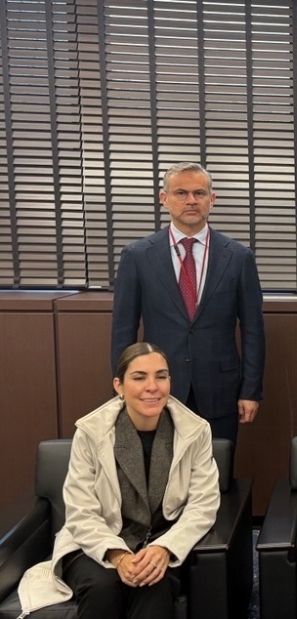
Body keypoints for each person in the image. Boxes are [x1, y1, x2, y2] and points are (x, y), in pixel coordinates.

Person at [17, 342, 220, 618]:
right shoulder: (91, 432)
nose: (152, 387)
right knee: (103, 586)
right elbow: (81, 512)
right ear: (119, 386)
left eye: (161, 376)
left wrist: (164, 548)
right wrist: (117, 555)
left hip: (162, 541)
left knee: (154, 586)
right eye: (139, 377)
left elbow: (203, 505)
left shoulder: (195, 431)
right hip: (96, 543)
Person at [111, 162, 265, 445]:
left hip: (221, 391)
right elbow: (123, 330)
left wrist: (250, 390)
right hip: (155, 390)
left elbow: (253, 330)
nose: (191, 200)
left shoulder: (238, 257)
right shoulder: (137, 256)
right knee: (158, 470)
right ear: (164, 198)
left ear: (212, 199)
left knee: (216, 467)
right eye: (181, 193)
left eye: (199, 193)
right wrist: (124, 389)